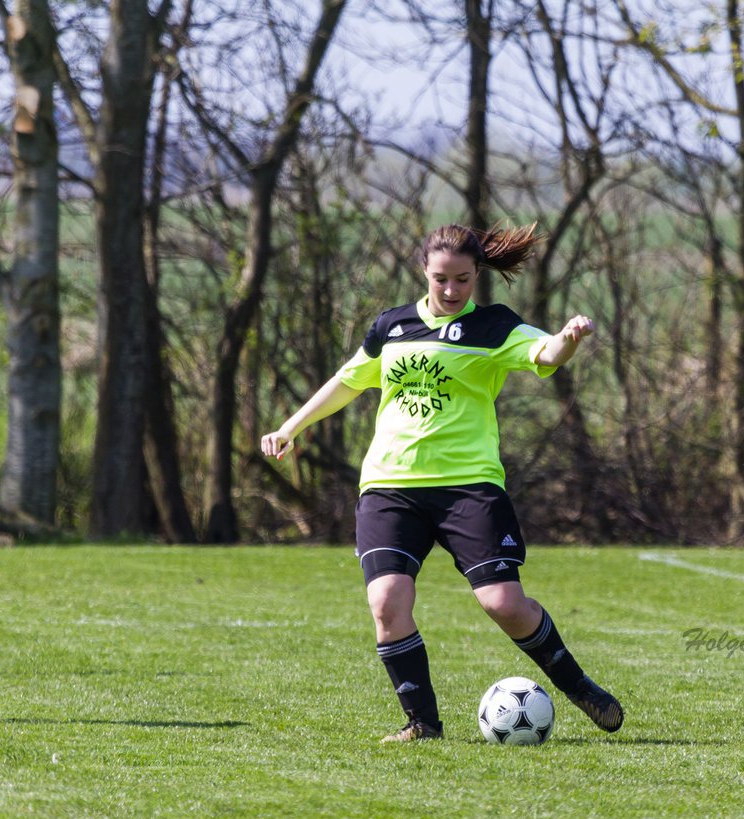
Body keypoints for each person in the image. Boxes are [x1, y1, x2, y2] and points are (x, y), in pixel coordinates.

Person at [261, 222, 623, 742]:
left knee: (503, 603)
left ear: (478, 275)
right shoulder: (392, 326)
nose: (451, 290)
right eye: (440, 280)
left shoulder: (494, 327)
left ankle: (578, 686)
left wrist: (567, 339)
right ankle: (423, 725)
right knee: (387, 602)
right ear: (424, 273)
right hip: (390, 486)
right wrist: (290, 427)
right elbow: (348, 380)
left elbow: (544, 354)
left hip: (468, 487)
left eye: (462, 280)